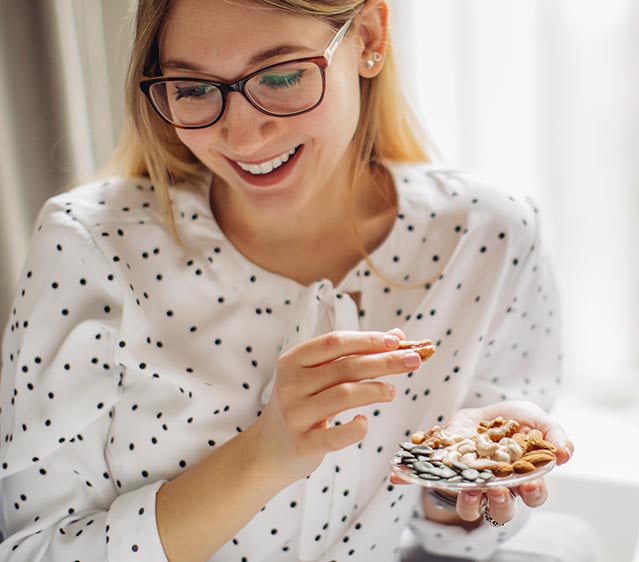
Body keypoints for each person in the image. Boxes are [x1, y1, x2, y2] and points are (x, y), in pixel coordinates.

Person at [0, 0, 574, 561]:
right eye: (195, 89)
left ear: (370, 38)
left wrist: (461, 480)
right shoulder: (90, 244)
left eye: (280, 76)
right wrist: (265, 455)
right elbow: (34, 549)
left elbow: (450, 535)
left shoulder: (489, 235)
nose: (243, 138)